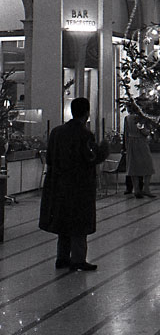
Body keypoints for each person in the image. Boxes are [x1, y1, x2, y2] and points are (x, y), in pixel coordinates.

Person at [39, 97, 109, 271]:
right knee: (79, 223)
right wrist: (104, 149)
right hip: (79, 186)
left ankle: (62, 257)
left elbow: (49, 158)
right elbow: (91, 157)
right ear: (86, 113)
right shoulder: (84, 134)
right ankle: (78, 259)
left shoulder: (56, 132)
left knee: (63, 221)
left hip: (58, 184)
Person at [123, 108, 155, 198]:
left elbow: (125, 133)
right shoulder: (140, 118)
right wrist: (149, 131)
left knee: (133, 167)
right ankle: (146, 188)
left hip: (131, 143)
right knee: (148, 165)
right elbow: (144, 131)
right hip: (141, 142)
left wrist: (126, 146)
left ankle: (136, 189)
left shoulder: (127, 118)